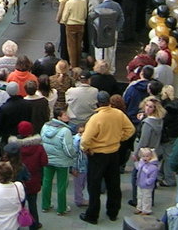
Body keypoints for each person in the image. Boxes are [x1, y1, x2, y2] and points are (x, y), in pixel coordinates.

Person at [78, 91, 135, 225]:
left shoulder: (96, 118)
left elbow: (85, 140)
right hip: (113, 153)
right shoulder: (118, 114)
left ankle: (92, 215)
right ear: (109, 101)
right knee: (113, 185)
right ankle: (113, 212)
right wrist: (119, 138)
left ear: (98, 103)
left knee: (94, 186)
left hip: (97, 155)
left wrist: (86, 149)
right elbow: (130, 129)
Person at [40, 106, 76, 216]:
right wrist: (74, 156)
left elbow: (41, 141)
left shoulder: (45, 126)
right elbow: (68, 148)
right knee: (62, 185)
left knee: (46, 182)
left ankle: (45, 205)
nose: (68, 116)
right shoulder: (65, 131)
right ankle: (61, 208)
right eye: (65, 115)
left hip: (48, 159)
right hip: (62, 161)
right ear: (59, 117)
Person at [61, 0, 88, 68]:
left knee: (71, 46)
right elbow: (85, 14)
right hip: (81, 25)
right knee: (79, 45)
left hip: (70, 26)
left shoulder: (69, 2)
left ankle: (73, 65)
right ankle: (78, 63)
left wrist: (64, 21)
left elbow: (65, 16)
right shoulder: (84, 2)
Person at [134, 147, 159, 215]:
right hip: (140, 183)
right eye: (143, 156)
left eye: (147, 156)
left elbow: (153, 177)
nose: (145, 158)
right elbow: (138, 168)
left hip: (147, 186)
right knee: (139, 196)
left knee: (146, 198)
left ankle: (146, 210)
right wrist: (136, 162)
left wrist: (147, 182)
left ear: (151, 156)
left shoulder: (153, 167)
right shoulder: (141, 163)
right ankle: (139, 208)